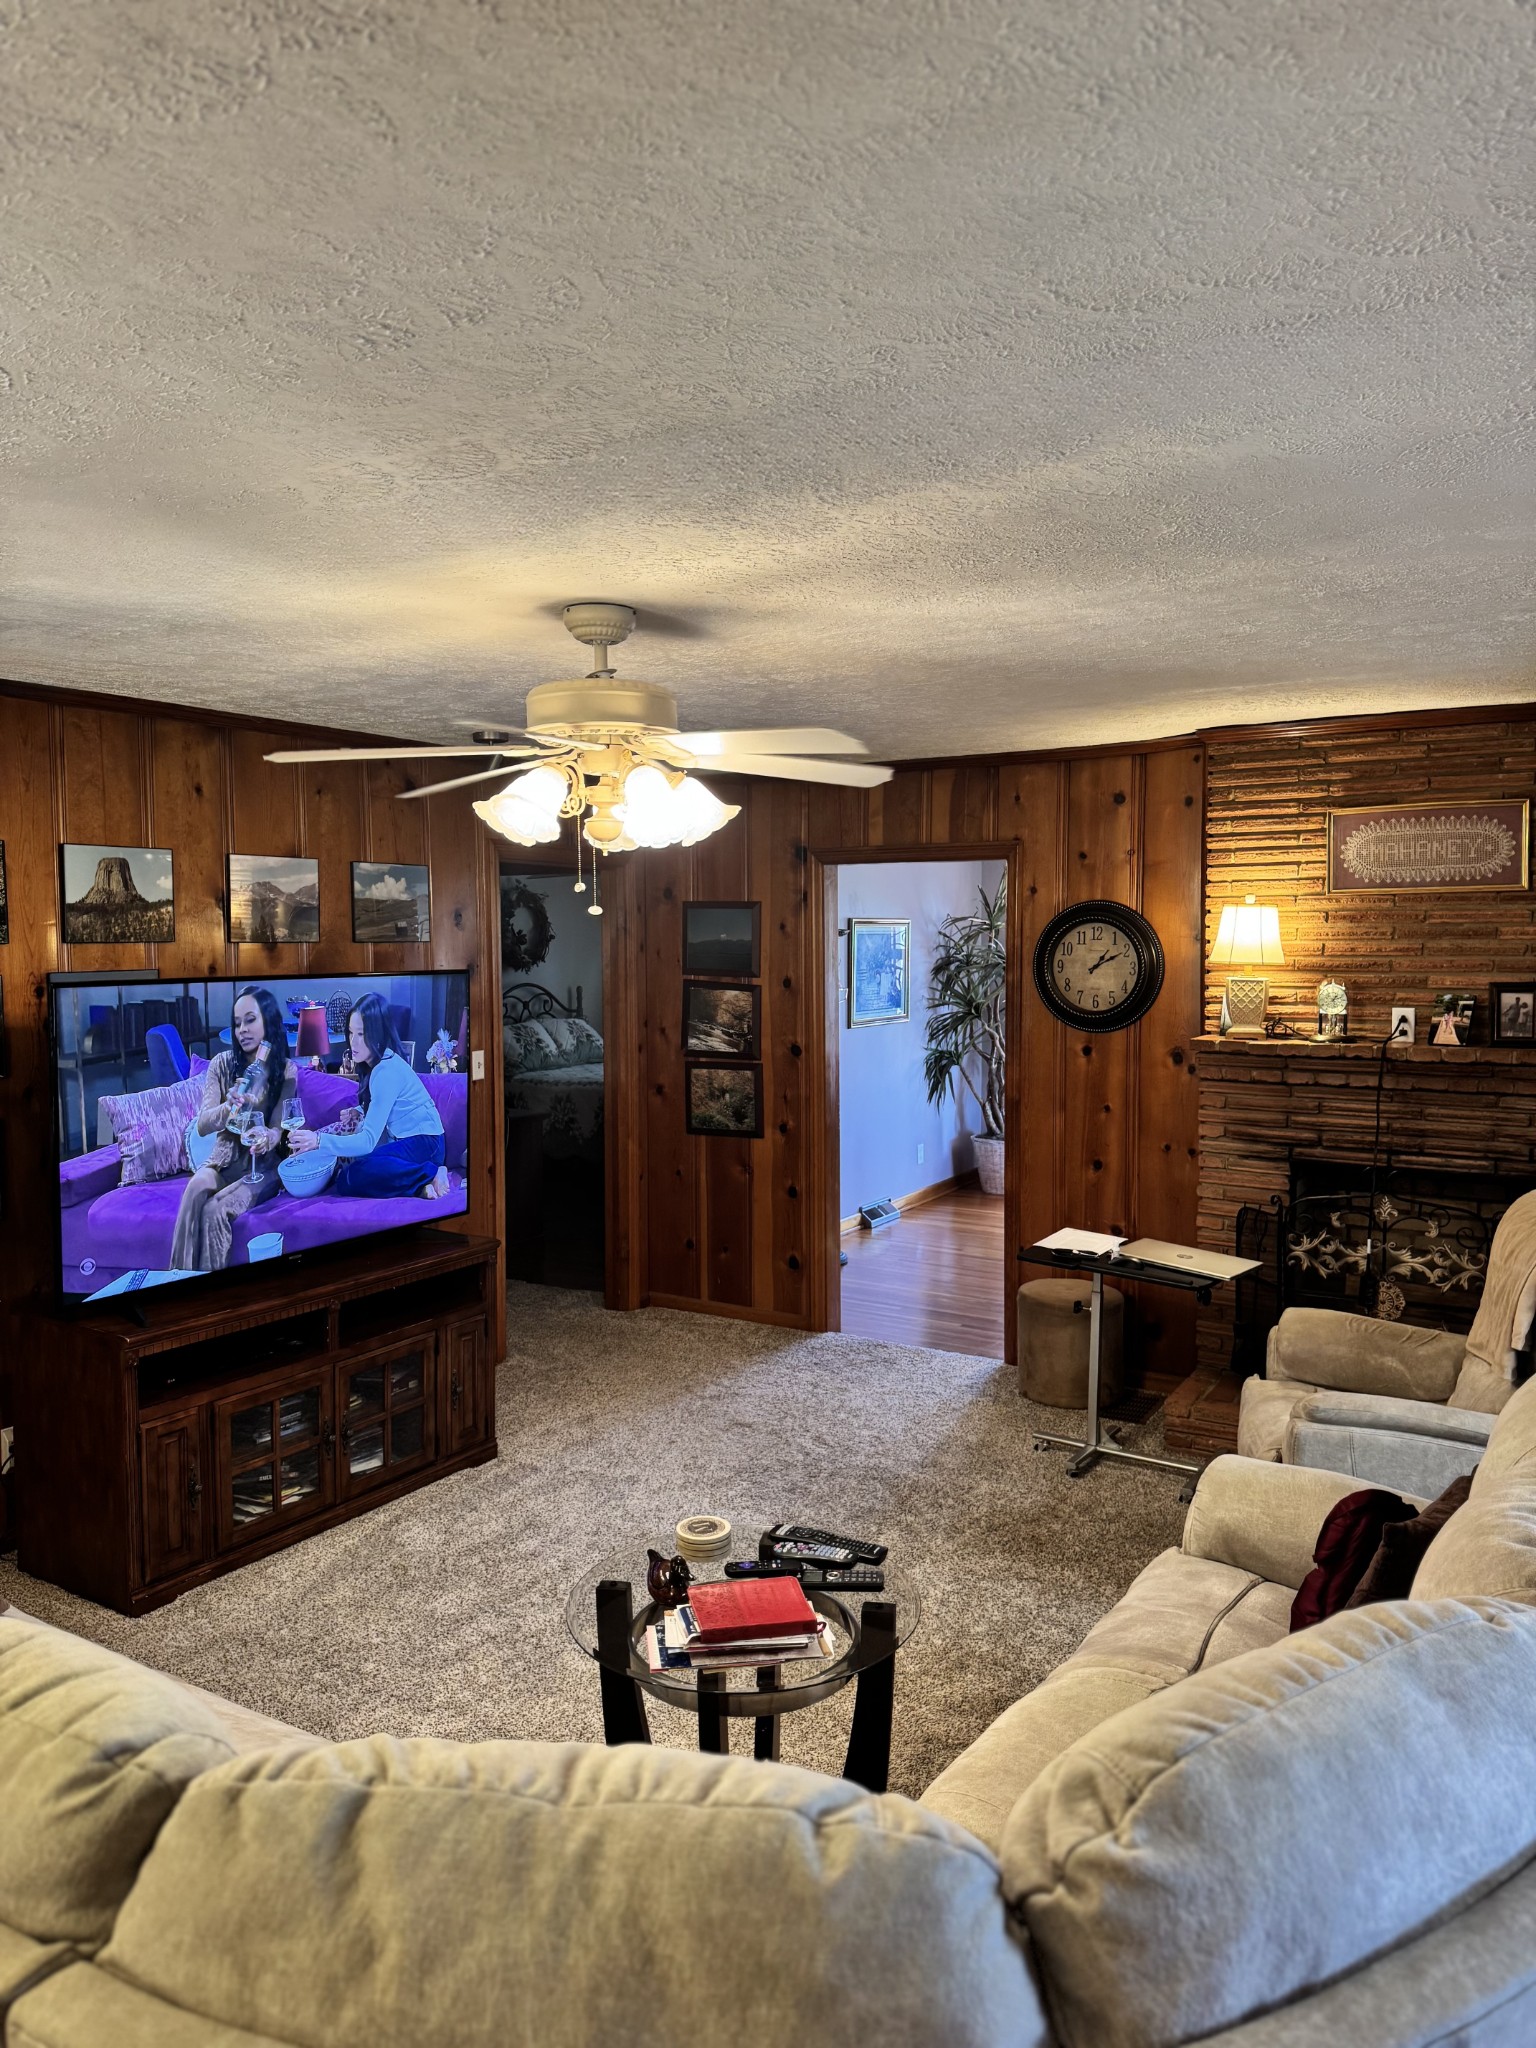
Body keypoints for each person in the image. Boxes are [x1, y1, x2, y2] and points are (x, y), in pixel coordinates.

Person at [170, 984, 297, 1271]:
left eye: (250, 1020)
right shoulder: (221, 1064)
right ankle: (176, 1281)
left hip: (262, 1166)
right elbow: (203, 1124)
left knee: (215, 1210)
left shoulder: (285, 1070)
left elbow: (278, 1129)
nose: (242, 1030)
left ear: (268, 1022)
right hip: (223, 1161)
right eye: (237, 1023)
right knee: (195, 1187)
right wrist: (228, 1107)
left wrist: (267, 1136)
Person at [287, 992, 450, 1199]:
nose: (353, 1042)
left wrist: (318, 1140)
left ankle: (430, 1173)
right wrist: (360, 1110)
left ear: (377, 1034)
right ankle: (421, 1184)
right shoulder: (376, 1063)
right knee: (354, 1171)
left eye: (361, 1034)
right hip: (408, 1142)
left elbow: (367, 1141)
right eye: (350, 1032)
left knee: (351, 1177)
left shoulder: (386, 1071)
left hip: (426, 1144)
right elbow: (387, 1104)